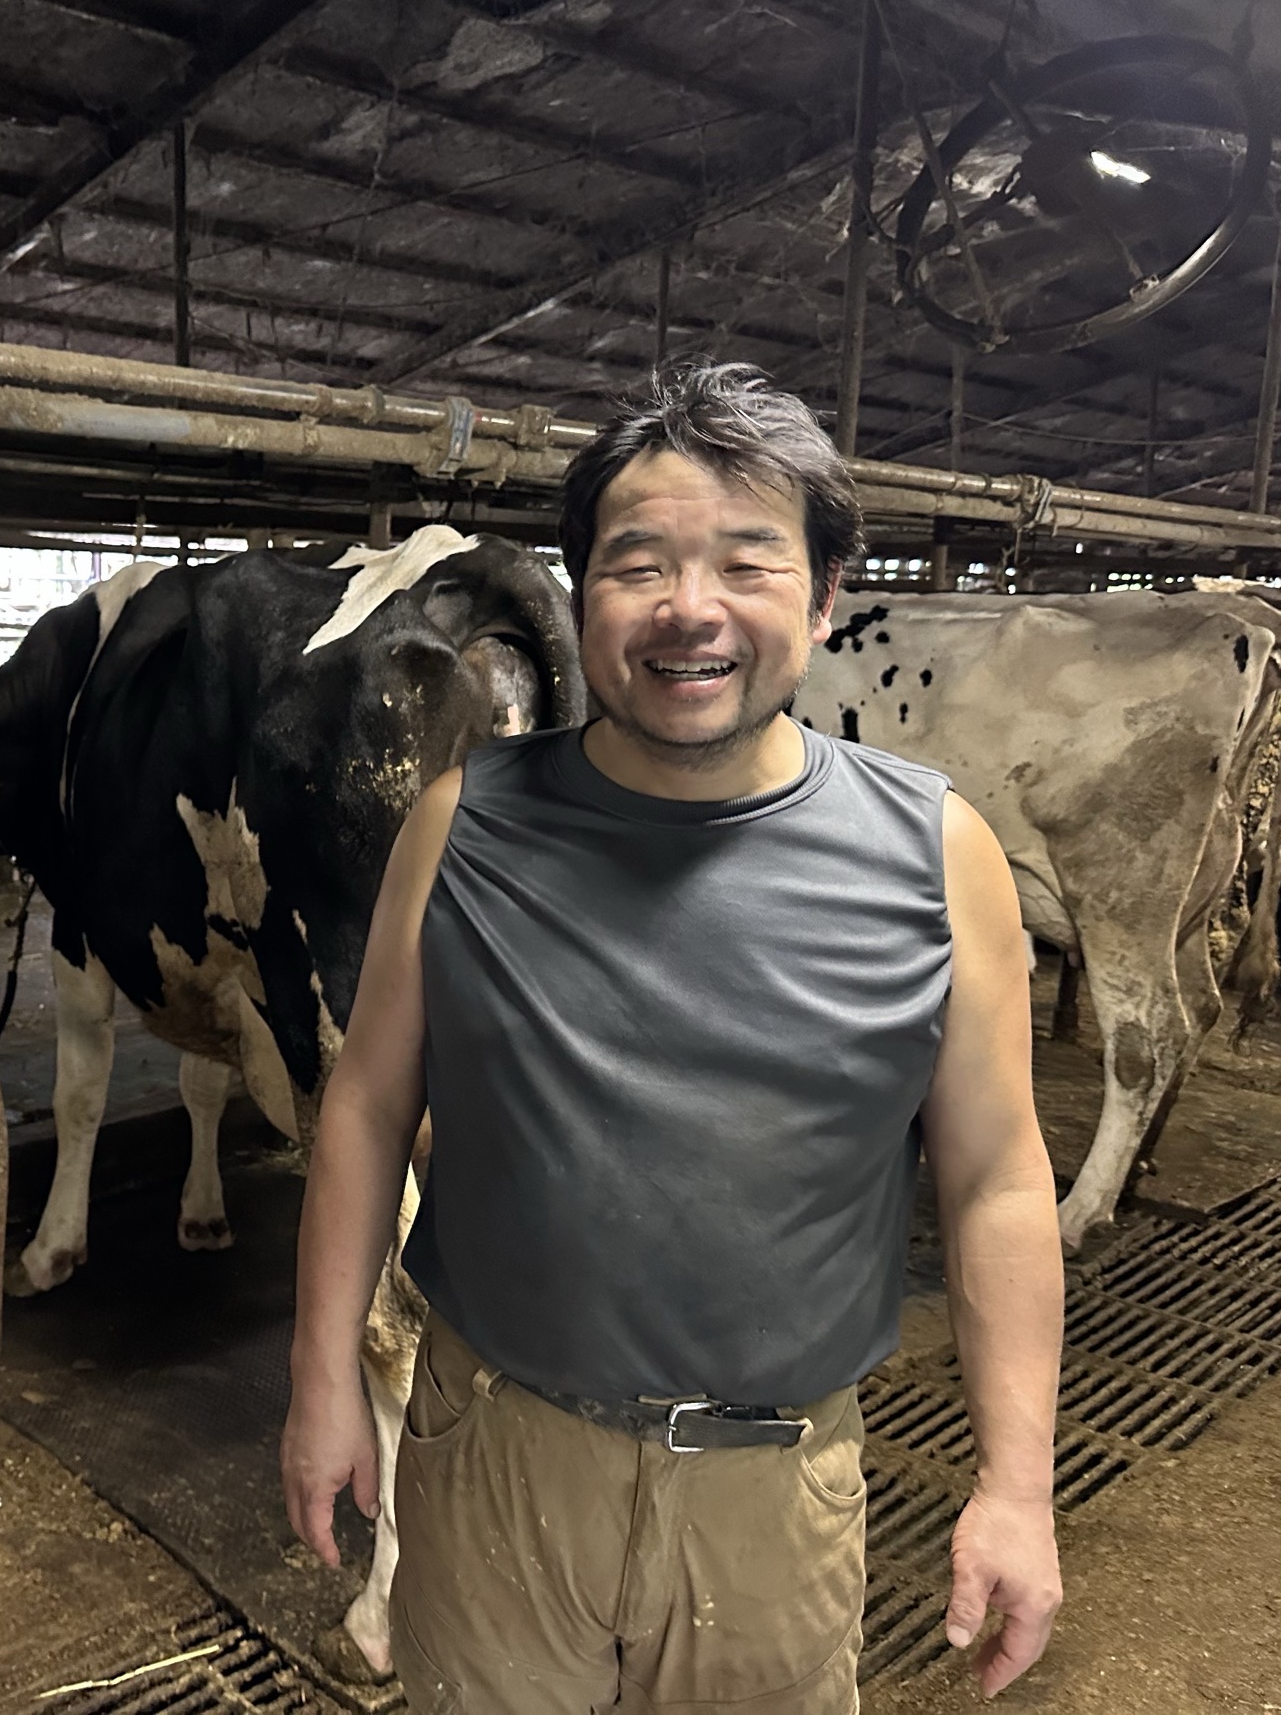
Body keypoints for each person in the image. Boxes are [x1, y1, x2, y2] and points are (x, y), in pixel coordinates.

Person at [282, 361, 1064, 1712]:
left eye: (747, 563)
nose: (690, 607)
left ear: (822, 596)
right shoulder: (463, 825)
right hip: (495, 1453)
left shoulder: (939, 856)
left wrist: (1019, 1484)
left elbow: (996, 1176)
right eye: (638, 563)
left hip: (772, 1494)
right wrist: (320, 1380)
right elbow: (363, 1106)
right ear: (582, 594)